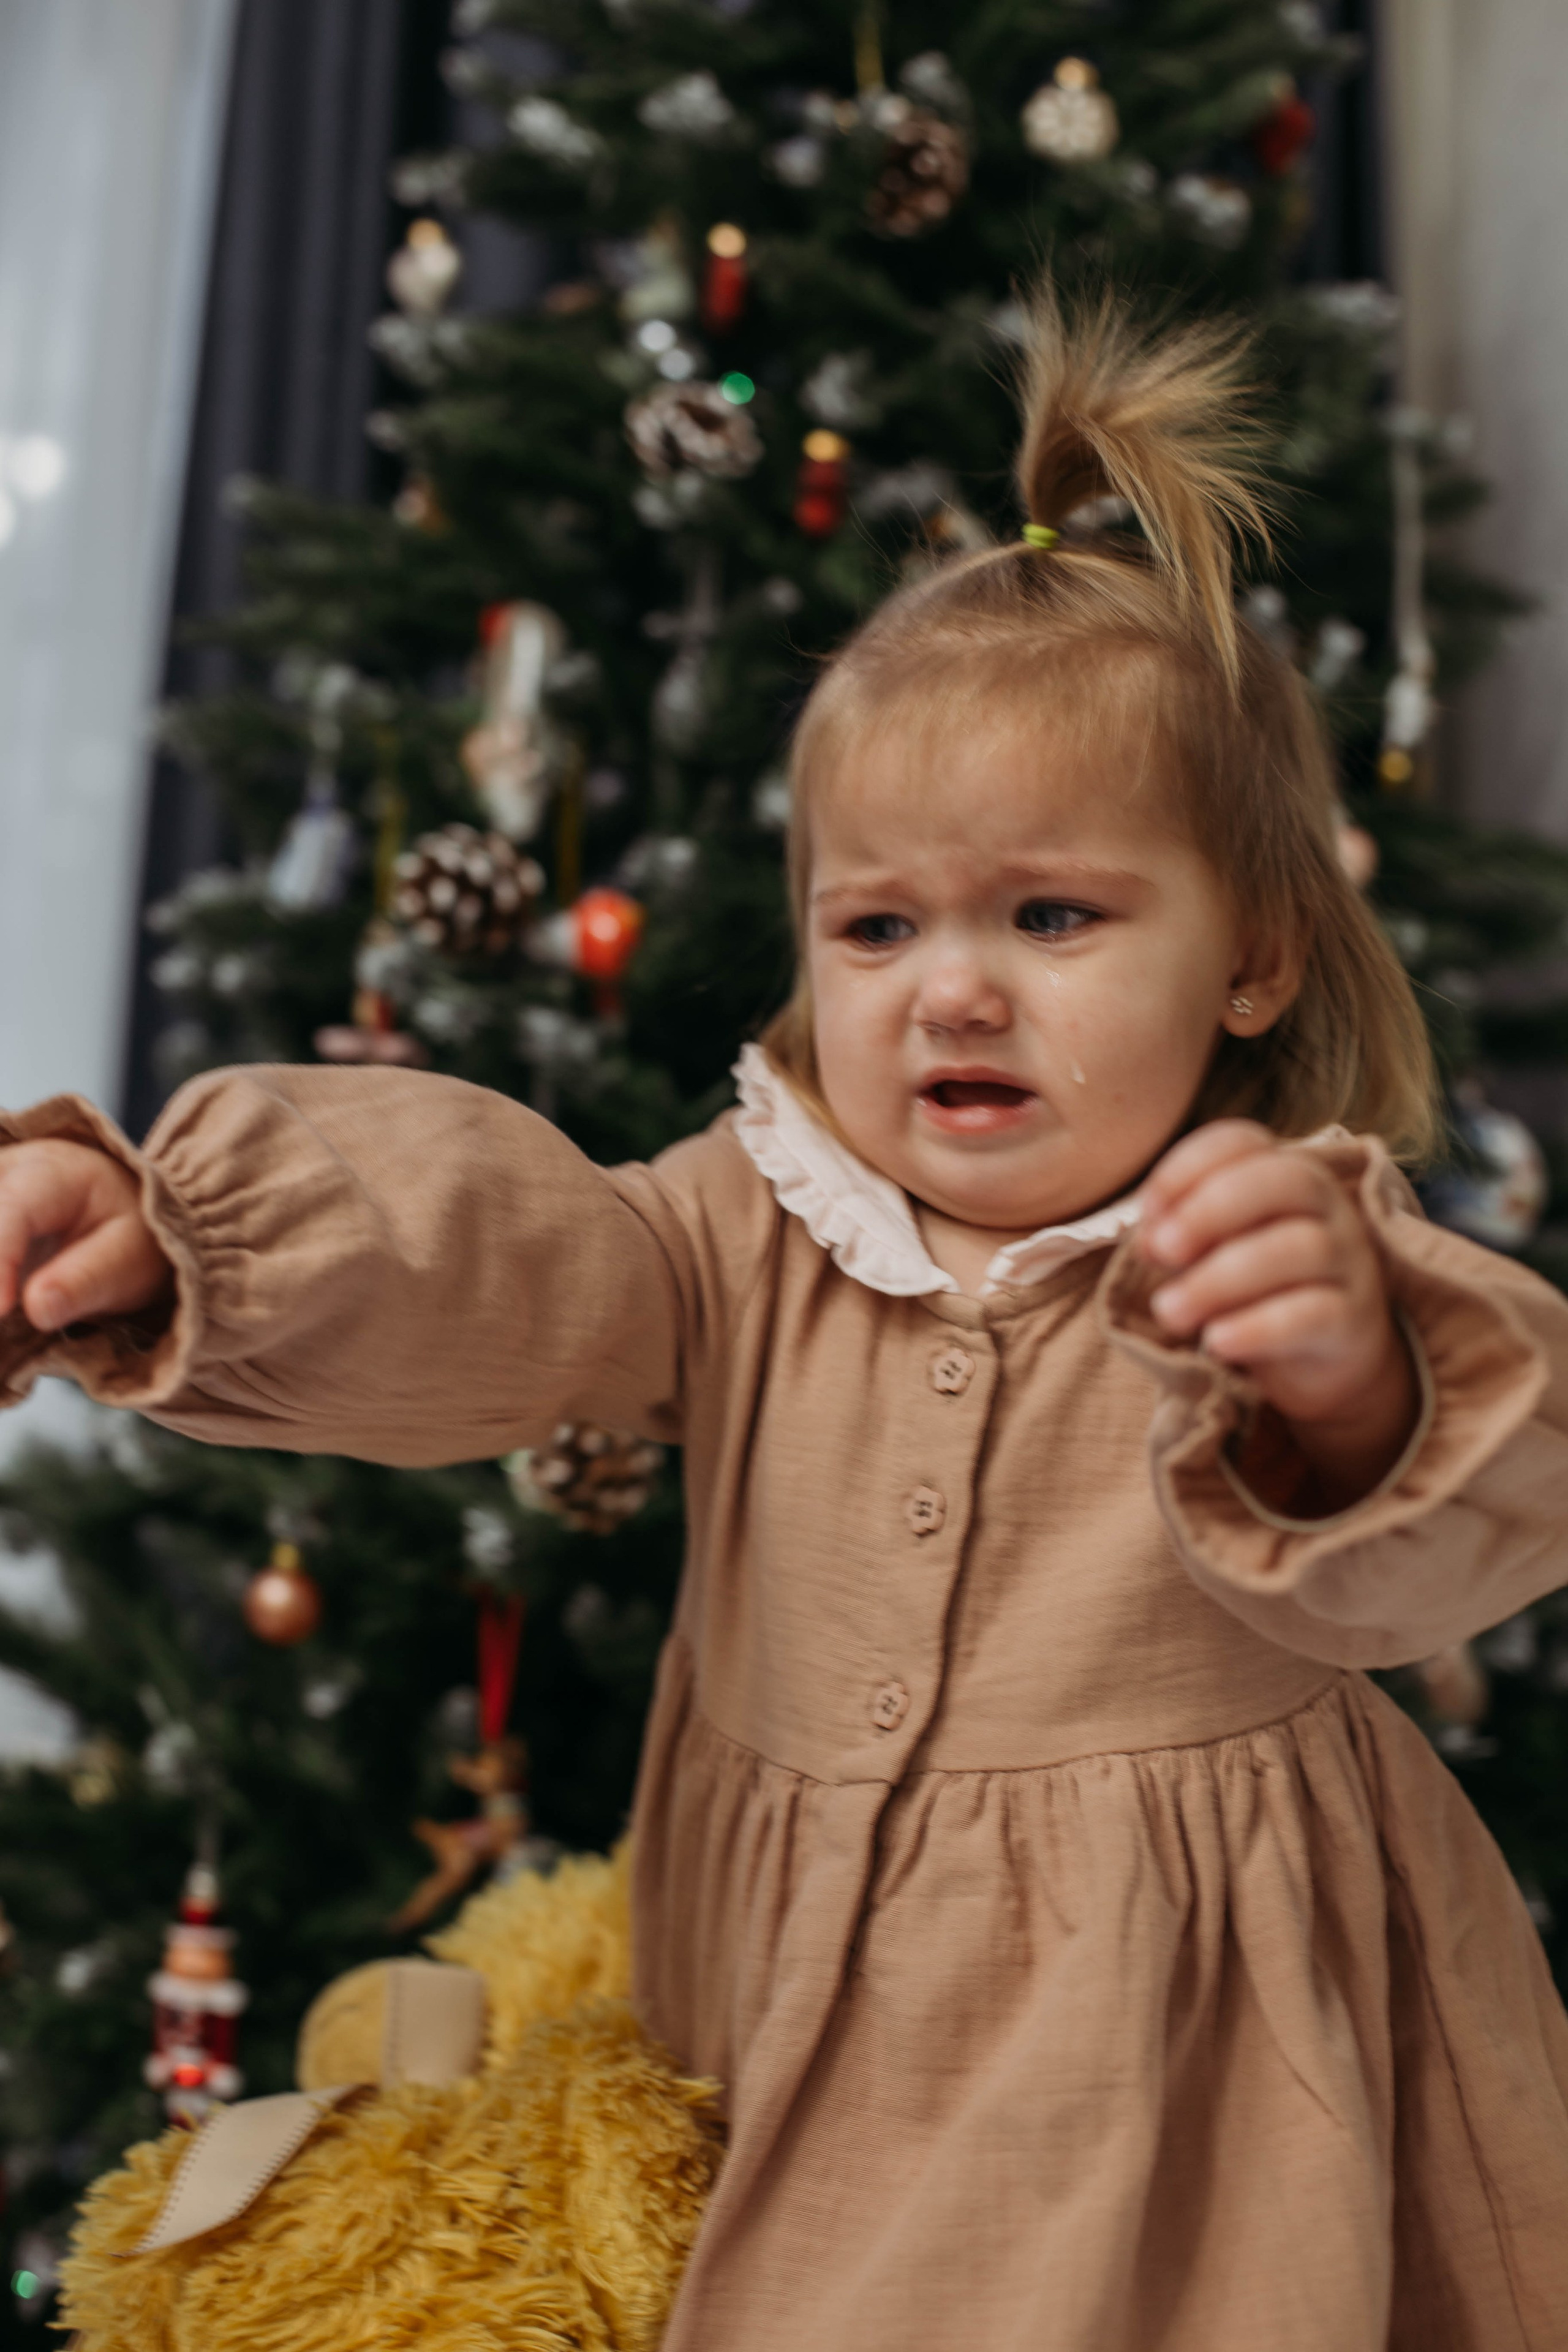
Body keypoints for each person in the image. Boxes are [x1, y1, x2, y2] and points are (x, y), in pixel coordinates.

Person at [2, 292, 1567, 2350]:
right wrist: (177, 1224)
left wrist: (1348, 1372)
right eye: (880, 924)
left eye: (1055, 916)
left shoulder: (1266, 1239)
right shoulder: (749, 1227)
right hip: (795, 2007)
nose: (953, 992)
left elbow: (1470, 1505)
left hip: (1181, 2057)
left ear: (1257, 956)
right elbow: (509, 1255)